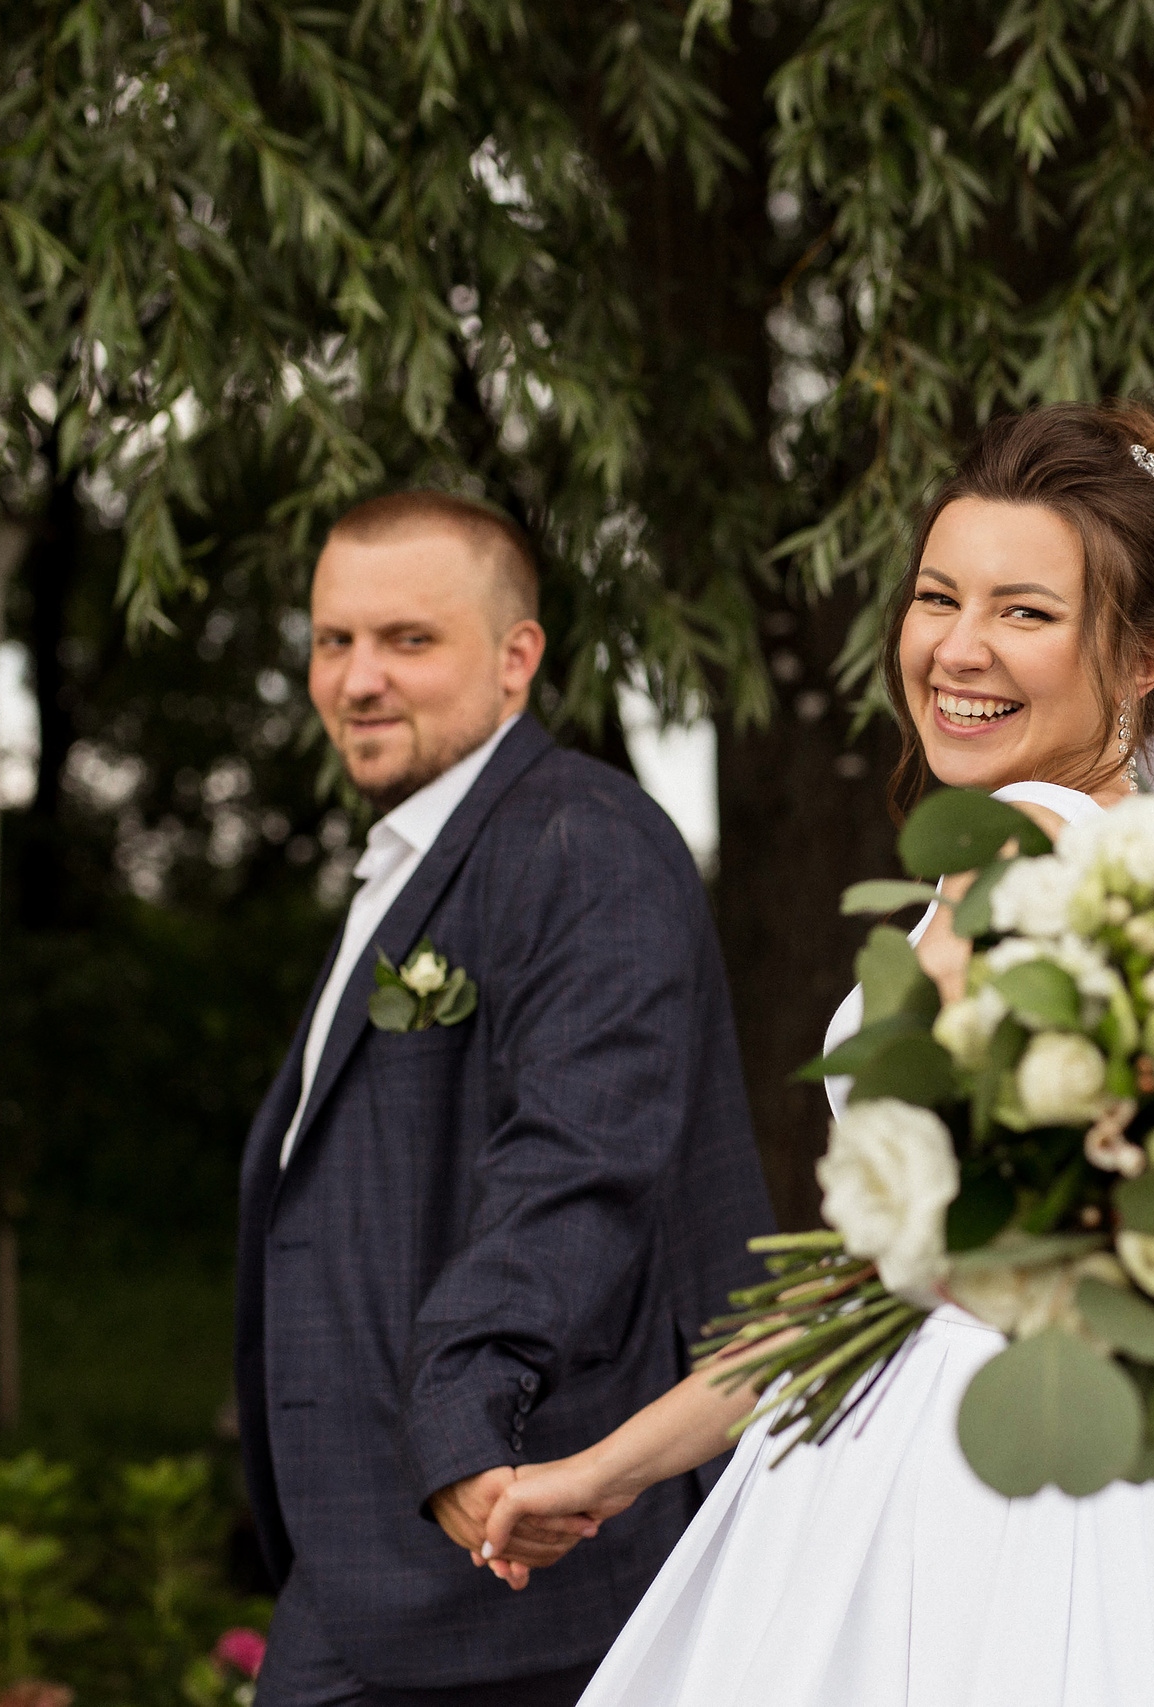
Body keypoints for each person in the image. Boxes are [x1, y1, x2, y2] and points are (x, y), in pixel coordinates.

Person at [482, 403, 1154, 1707]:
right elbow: (879, 1287)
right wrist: (617, 1467)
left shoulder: (1026, 862)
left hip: (967, 1497)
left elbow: (888, 1283)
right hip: (1106, 1481)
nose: (957, 647)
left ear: (1144, 659)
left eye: (1024, 612)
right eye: (938, 596)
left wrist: (605, 1466)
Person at [231, 491, 775, 1707]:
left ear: (516, 658)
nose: (358, 679)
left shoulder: (584, 845)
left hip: (524, 1563)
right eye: (333, 641)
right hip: (374, 1558)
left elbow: (577, 1167)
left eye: (408, 640)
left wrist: (464, 1421)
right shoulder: (425, 854)